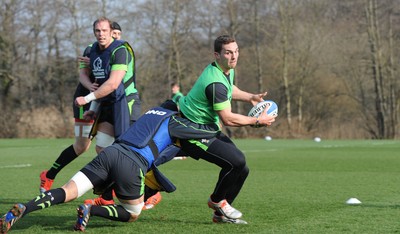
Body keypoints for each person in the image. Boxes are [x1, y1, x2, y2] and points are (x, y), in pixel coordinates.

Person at [0, 102, 219, 233]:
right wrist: (221, 122)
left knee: (67, 191)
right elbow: (206, 133)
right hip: (132, 164)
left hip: (111, 153)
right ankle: (91, 210)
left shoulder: (149, 114)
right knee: (132, 212)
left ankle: (24, 208)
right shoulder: (173, 120)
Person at [178, 35, 276, 224]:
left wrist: (250, 97)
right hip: (191, 131)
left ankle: (220, 214)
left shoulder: (225, 70)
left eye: (236, 51)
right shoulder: (214, 82)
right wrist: (257, 121)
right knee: (236, 161)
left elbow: (230, 89)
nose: (234, 56)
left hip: (206, 129)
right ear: (217, 54)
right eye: (228, 52)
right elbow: (228, 118)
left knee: (242, 168)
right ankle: (216, 201)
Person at [39, 18, 138, 207]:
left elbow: (115, 81)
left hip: (104, 100)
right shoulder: (91, 49)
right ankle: (49, 175)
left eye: (115, 35)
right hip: (86, 99)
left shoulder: (119, 51)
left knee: (106, 148)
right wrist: (90, 90)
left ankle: (111, 192)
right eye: (99, 31)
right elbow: (83, 75)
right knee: (81, 146)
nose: (109, 36)